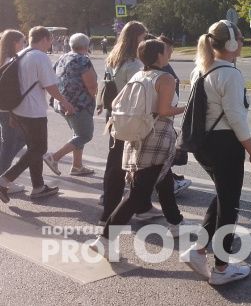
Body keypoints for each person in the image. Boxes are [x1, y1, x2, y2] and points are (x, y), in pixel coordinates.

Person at [180, 20, 251, 285]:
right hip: (225, 144)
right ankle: (222, 269)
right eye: (239, 37)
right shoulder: (230, 74)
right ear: (229, 44)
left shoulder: (200, 69)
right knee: (230, 205)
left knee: (222, 195)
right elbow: (236, 118)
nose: (242, 41)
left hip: (204, 144)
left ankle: (199, 250)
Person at [90, 39, 189, 251]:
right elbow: (164, 111)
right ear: (158, 56)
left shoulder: (139, 75)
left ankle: (176, 222)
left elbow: (118, 101)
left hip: (138, 135)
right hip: (157, 135)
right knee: (138, 193)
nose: (168, 53)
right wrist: (184, 109)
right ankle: (105, 239)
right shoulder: (166, 78)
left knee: (164, 179)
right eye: (165, 51)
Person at [0, 26, 76, 204]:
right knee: (39, 149)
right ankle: (4, 180)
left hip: (19, 109)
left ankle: (38, 187)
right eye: (50, 40)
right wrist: (65, 102)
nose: (51, 43)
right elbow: (50, 85)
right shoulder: (40, 56)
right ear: (44, 39)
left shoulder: (23, 54)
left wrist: (12, 112)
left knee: (33, 147)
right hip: (33, 111)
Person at [98, 21, 158, 223]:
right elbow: (139, 94)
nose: (146, 40)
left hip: (114, 116)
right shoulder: (133, 65)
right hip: (129, 119)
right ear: (135, 39)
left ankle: (129, 205)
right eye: (143, 36)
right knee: (127, 165)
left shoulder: (113, 59)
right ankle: (113, 213)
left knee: (115, 164)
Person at [44, 33, 97, 176]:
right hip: (79, 104)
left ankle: (77, 166)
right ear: (86, 46)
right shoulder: (83, 60)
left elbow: (53, 76)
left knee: (77, 133)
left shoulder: (63, 57)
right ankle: (54, 157)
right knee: (85, 135)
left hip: (62, 102)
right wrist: (96, 99)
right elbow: (91, 85)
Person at [157, 35, 192, 197]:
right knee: (164, 153)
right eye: (168, 49)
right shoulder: (160, 69)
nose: (171, 52)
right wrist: (184, 109)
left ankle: (168, 180)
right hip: (161, 118)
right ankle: (168, 183)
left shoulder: (164, 66)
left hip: (165, 116)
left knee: (164, 153)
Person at [0, 30, 28, 194]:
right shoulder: (12, 61)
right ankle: (3, 180)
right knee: (11, 145)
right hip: (8, 109)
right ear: (14, 43)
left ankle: (4, 177)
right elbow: (11, 90)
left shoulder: (3, 58)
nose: (24, 45)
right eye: (22, 42)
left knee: (12, 142)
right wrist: (13, 113)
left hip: (3, 108)